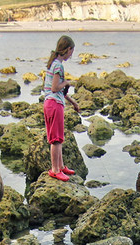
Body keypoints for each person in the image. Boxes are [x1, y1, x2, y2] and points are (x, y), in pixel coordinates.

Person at [43, 35, 79, 181]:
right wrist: (67, 83)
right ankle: (55, 170)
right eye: (72, 51)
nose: (72, 55)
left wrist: (74, 103)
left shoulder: (54, 64)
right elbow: (55, 88)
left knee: (59, 137)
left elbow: (60, 92)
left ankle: (61, 166)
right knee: (56, 139)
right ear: (68, 49)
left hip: (53, 103)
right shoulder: (58, 65)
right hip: (53, 104)